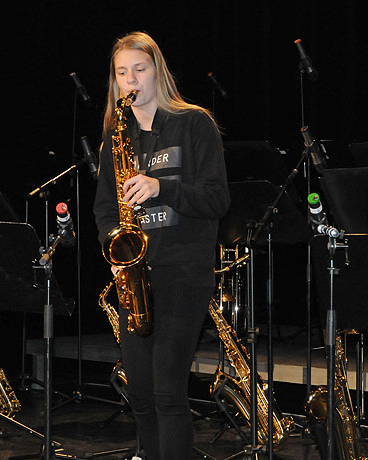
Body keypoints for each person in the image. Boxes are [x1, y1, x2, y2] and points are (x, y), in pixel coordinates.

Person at [93, 31, 230, 460]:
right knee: (142, 391)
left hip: (183, 270)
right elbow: (104, 210)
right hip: (136, 275)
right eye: (122, 74)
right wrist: (114, 253)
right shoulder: (116, 138)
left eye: (140, 69)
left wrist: (161, 187)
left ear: (158, 72)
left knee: (169, 388)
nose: (131, 81)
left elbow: (216, 199)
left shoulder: (194, 123)